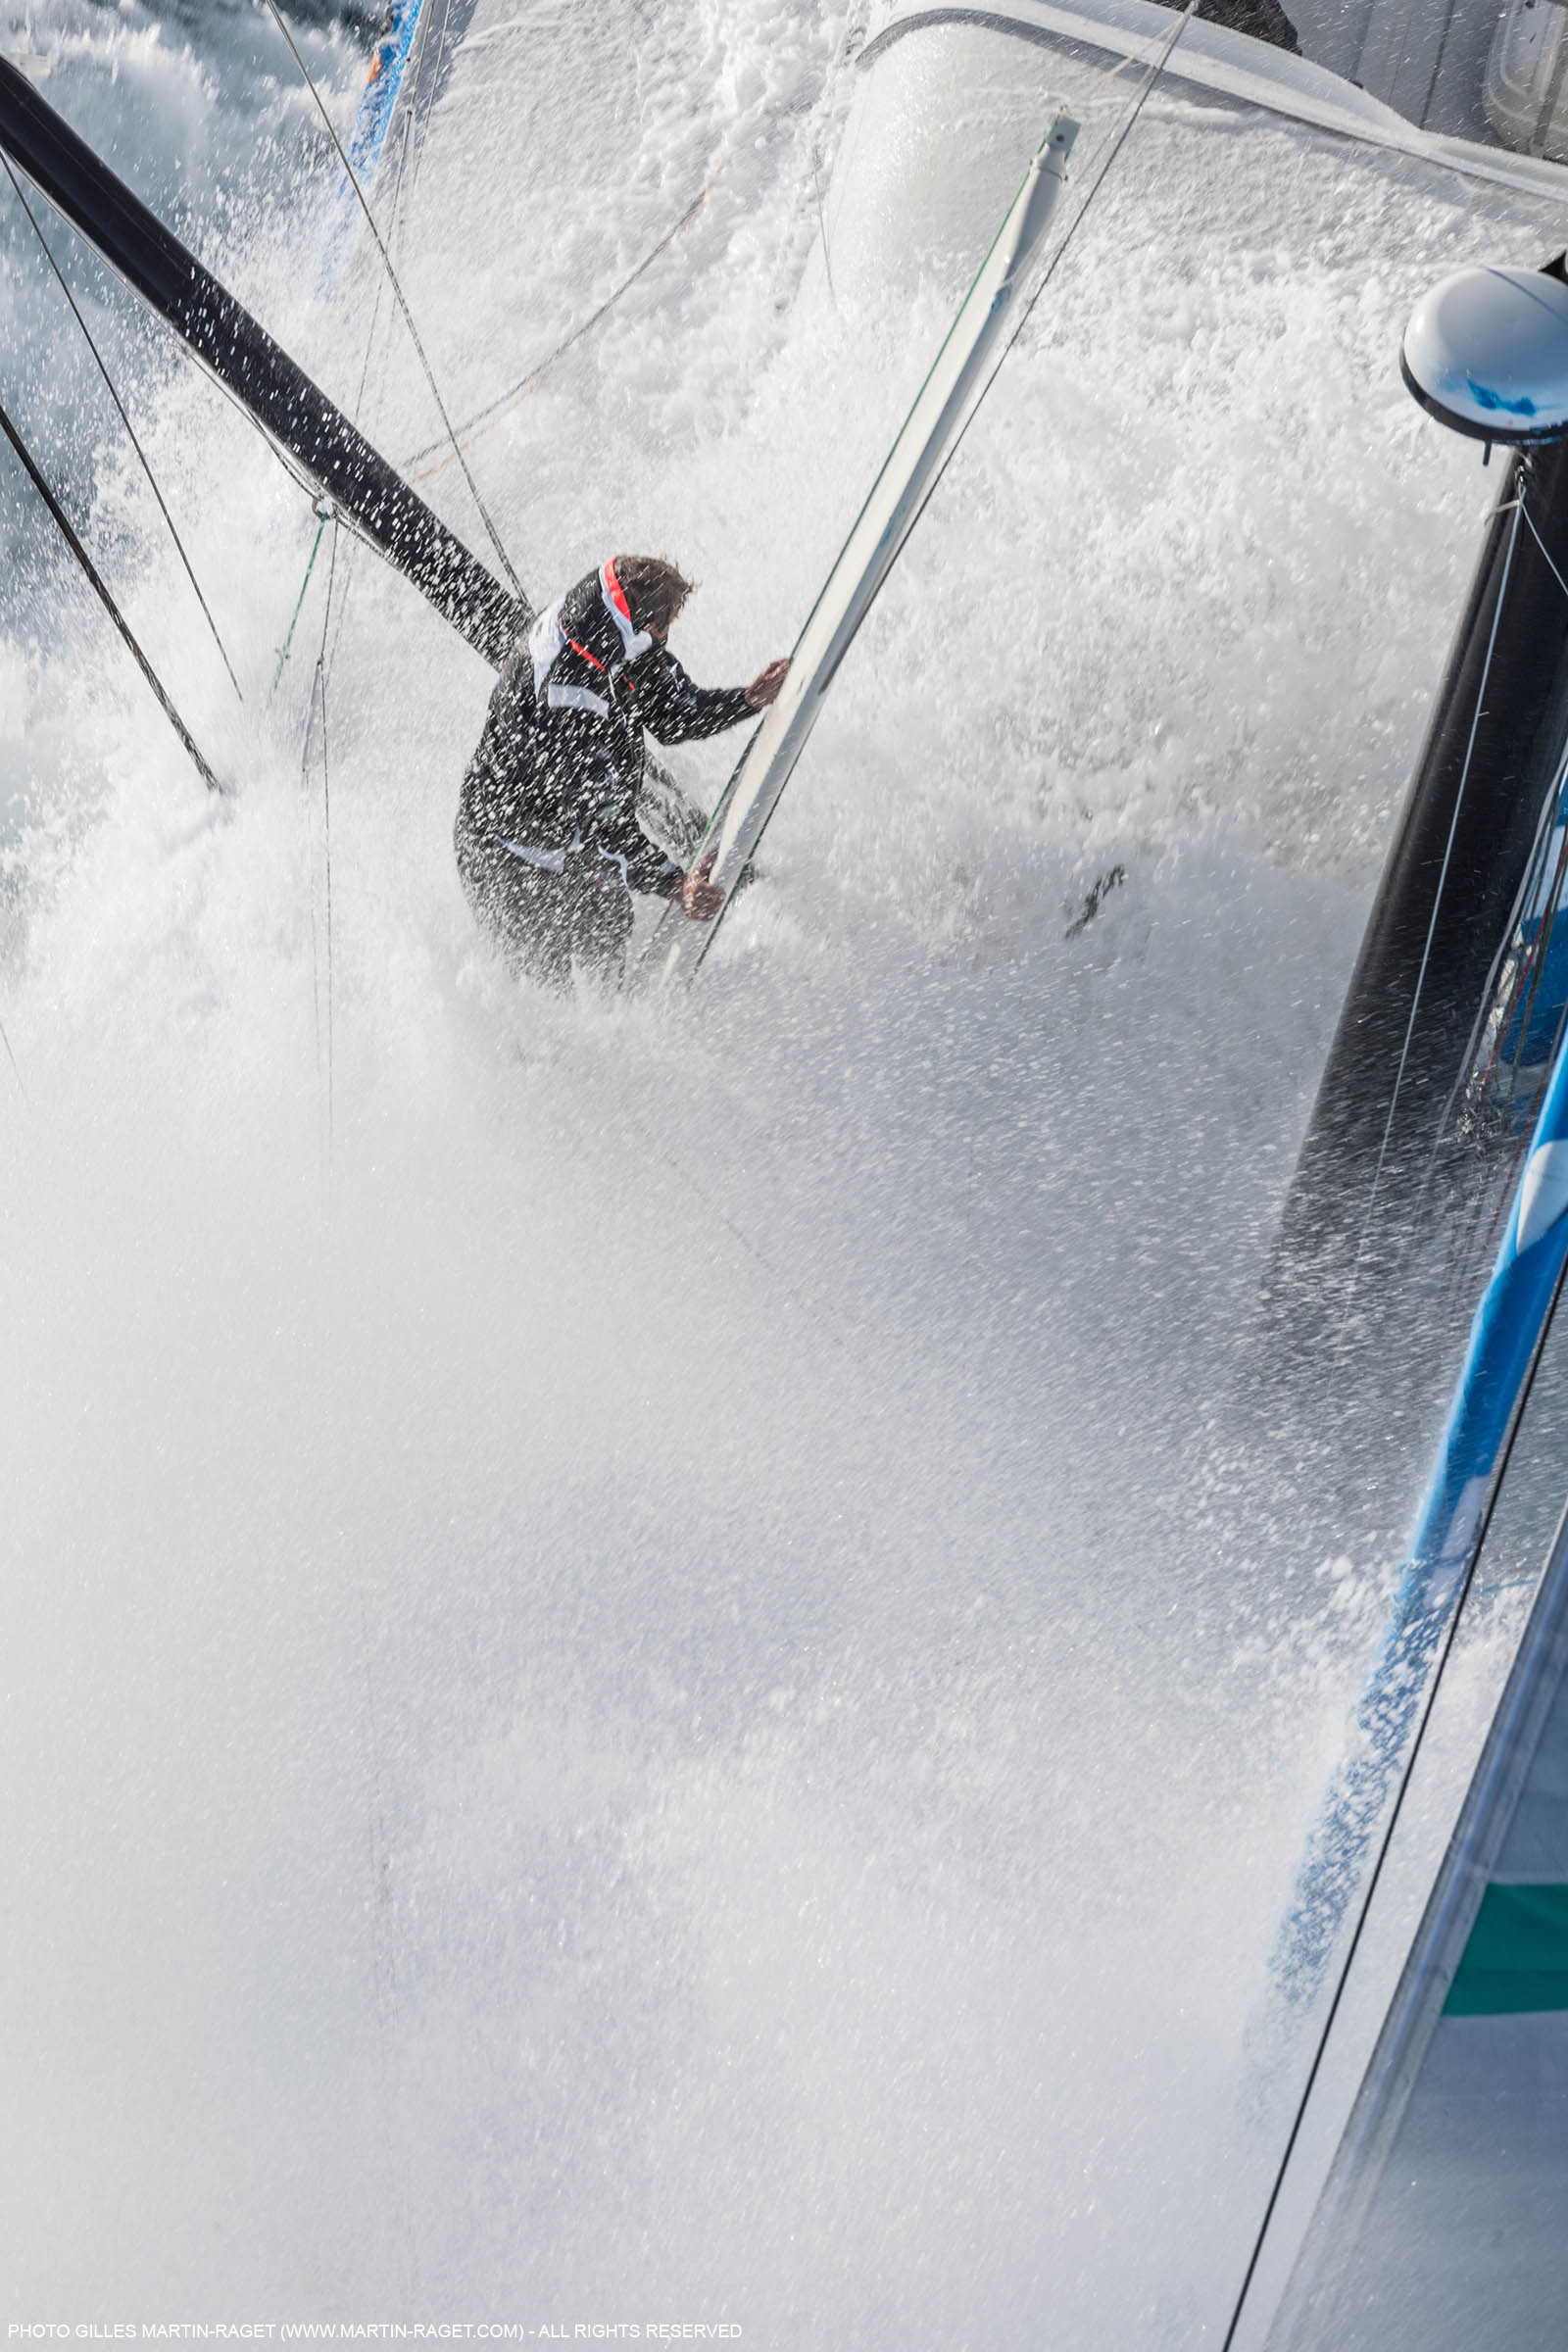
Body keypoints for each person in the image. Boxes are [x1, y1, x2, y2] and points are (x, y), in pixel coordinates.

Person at [455, 554, 789, 988]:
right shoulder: (569, 691)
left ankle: (613, 1007)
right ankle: (582, 1030)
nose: (666, 638)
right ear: (643, 625)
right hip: (504, 858)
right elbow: (605, 830)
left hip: (564, 833)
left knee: (610, 917)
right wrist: (676, 885)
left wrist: (746, 700)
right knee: (554, 985)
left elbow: (672, 715)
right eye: (664, 627)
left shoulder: (618, 632)